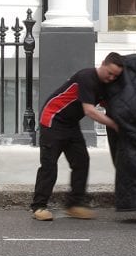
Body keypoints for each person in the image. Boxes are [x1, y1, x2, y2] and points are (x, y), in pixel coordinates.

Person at [30, 53, 125, 221]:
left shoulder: (105, 84)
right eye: (109, 73)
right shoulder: (87, 77)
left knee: (81, 161)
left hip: (70, 124)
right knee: (49, 165)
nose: (111, 78)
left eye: (115, 76)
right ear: (103, 63)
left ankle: (74, 205)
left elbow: (111, 105)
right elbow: (90, 111)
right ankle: (39, 207)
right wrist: (115, 125)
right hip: (52, 119)